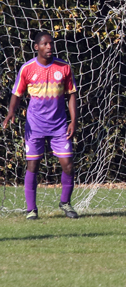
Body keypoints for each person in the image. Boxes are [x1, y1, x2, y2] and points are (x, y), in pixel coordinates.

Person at [3, 31, 79, 220]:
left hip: (59, 126)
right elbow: (17, 93)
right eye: (45, 44)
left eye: (51, 43)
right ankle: (31, 209)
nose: (49, 47)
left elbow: (71, 95)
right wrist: (11, 111)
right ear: (36, 47)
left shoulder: (64, 67)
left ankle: (65, 202)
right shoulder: (27, 69)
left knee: (68, 165)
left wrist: (73, 121)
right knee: (33, 165)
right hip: (35, 126)